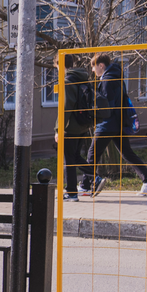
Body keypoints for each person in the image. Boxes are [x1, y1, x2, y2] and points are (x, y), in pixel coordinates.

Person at [82, 53, 147, 198]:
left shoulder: (107, 81)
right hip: (119, 123)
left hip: (107, 124)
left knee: (92, 154)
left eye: (94, 67)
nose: (93, 71)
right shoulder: (118, 78)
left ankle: (86, 185)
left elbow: (105, 107)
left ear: (101, 65)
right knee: (127, 153)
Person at [53, 53, 92, 202]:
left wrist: (59, 129)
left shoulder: (68, 81)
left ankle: (71, 193)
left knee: (68, 160)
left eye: (57, 67)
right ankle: (95, 176)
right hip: (83, 124)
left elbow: (65, 107)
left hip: (70, 127)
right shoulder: (81, 77)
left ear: (60, 65)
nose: (57, 70)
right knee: (75, 157)